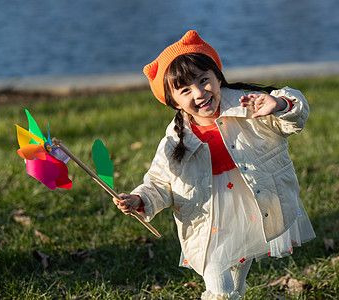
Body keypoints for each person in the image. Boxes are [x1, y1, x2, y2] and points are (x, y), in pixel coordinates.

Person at [113, 30, 315, 300]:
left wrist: (279, 104)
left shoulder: (250, 107)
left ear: (218, 77)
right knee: (219, 289)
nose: (199, 93)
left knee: (236, 283)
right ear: (173, 102)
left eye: (204, 80)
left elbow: (295, 115)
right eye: (185, 90)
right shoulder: (175, 141)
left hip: (251, 207)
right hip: (206, 219)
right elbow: (160, 182)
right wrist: (140, 199)